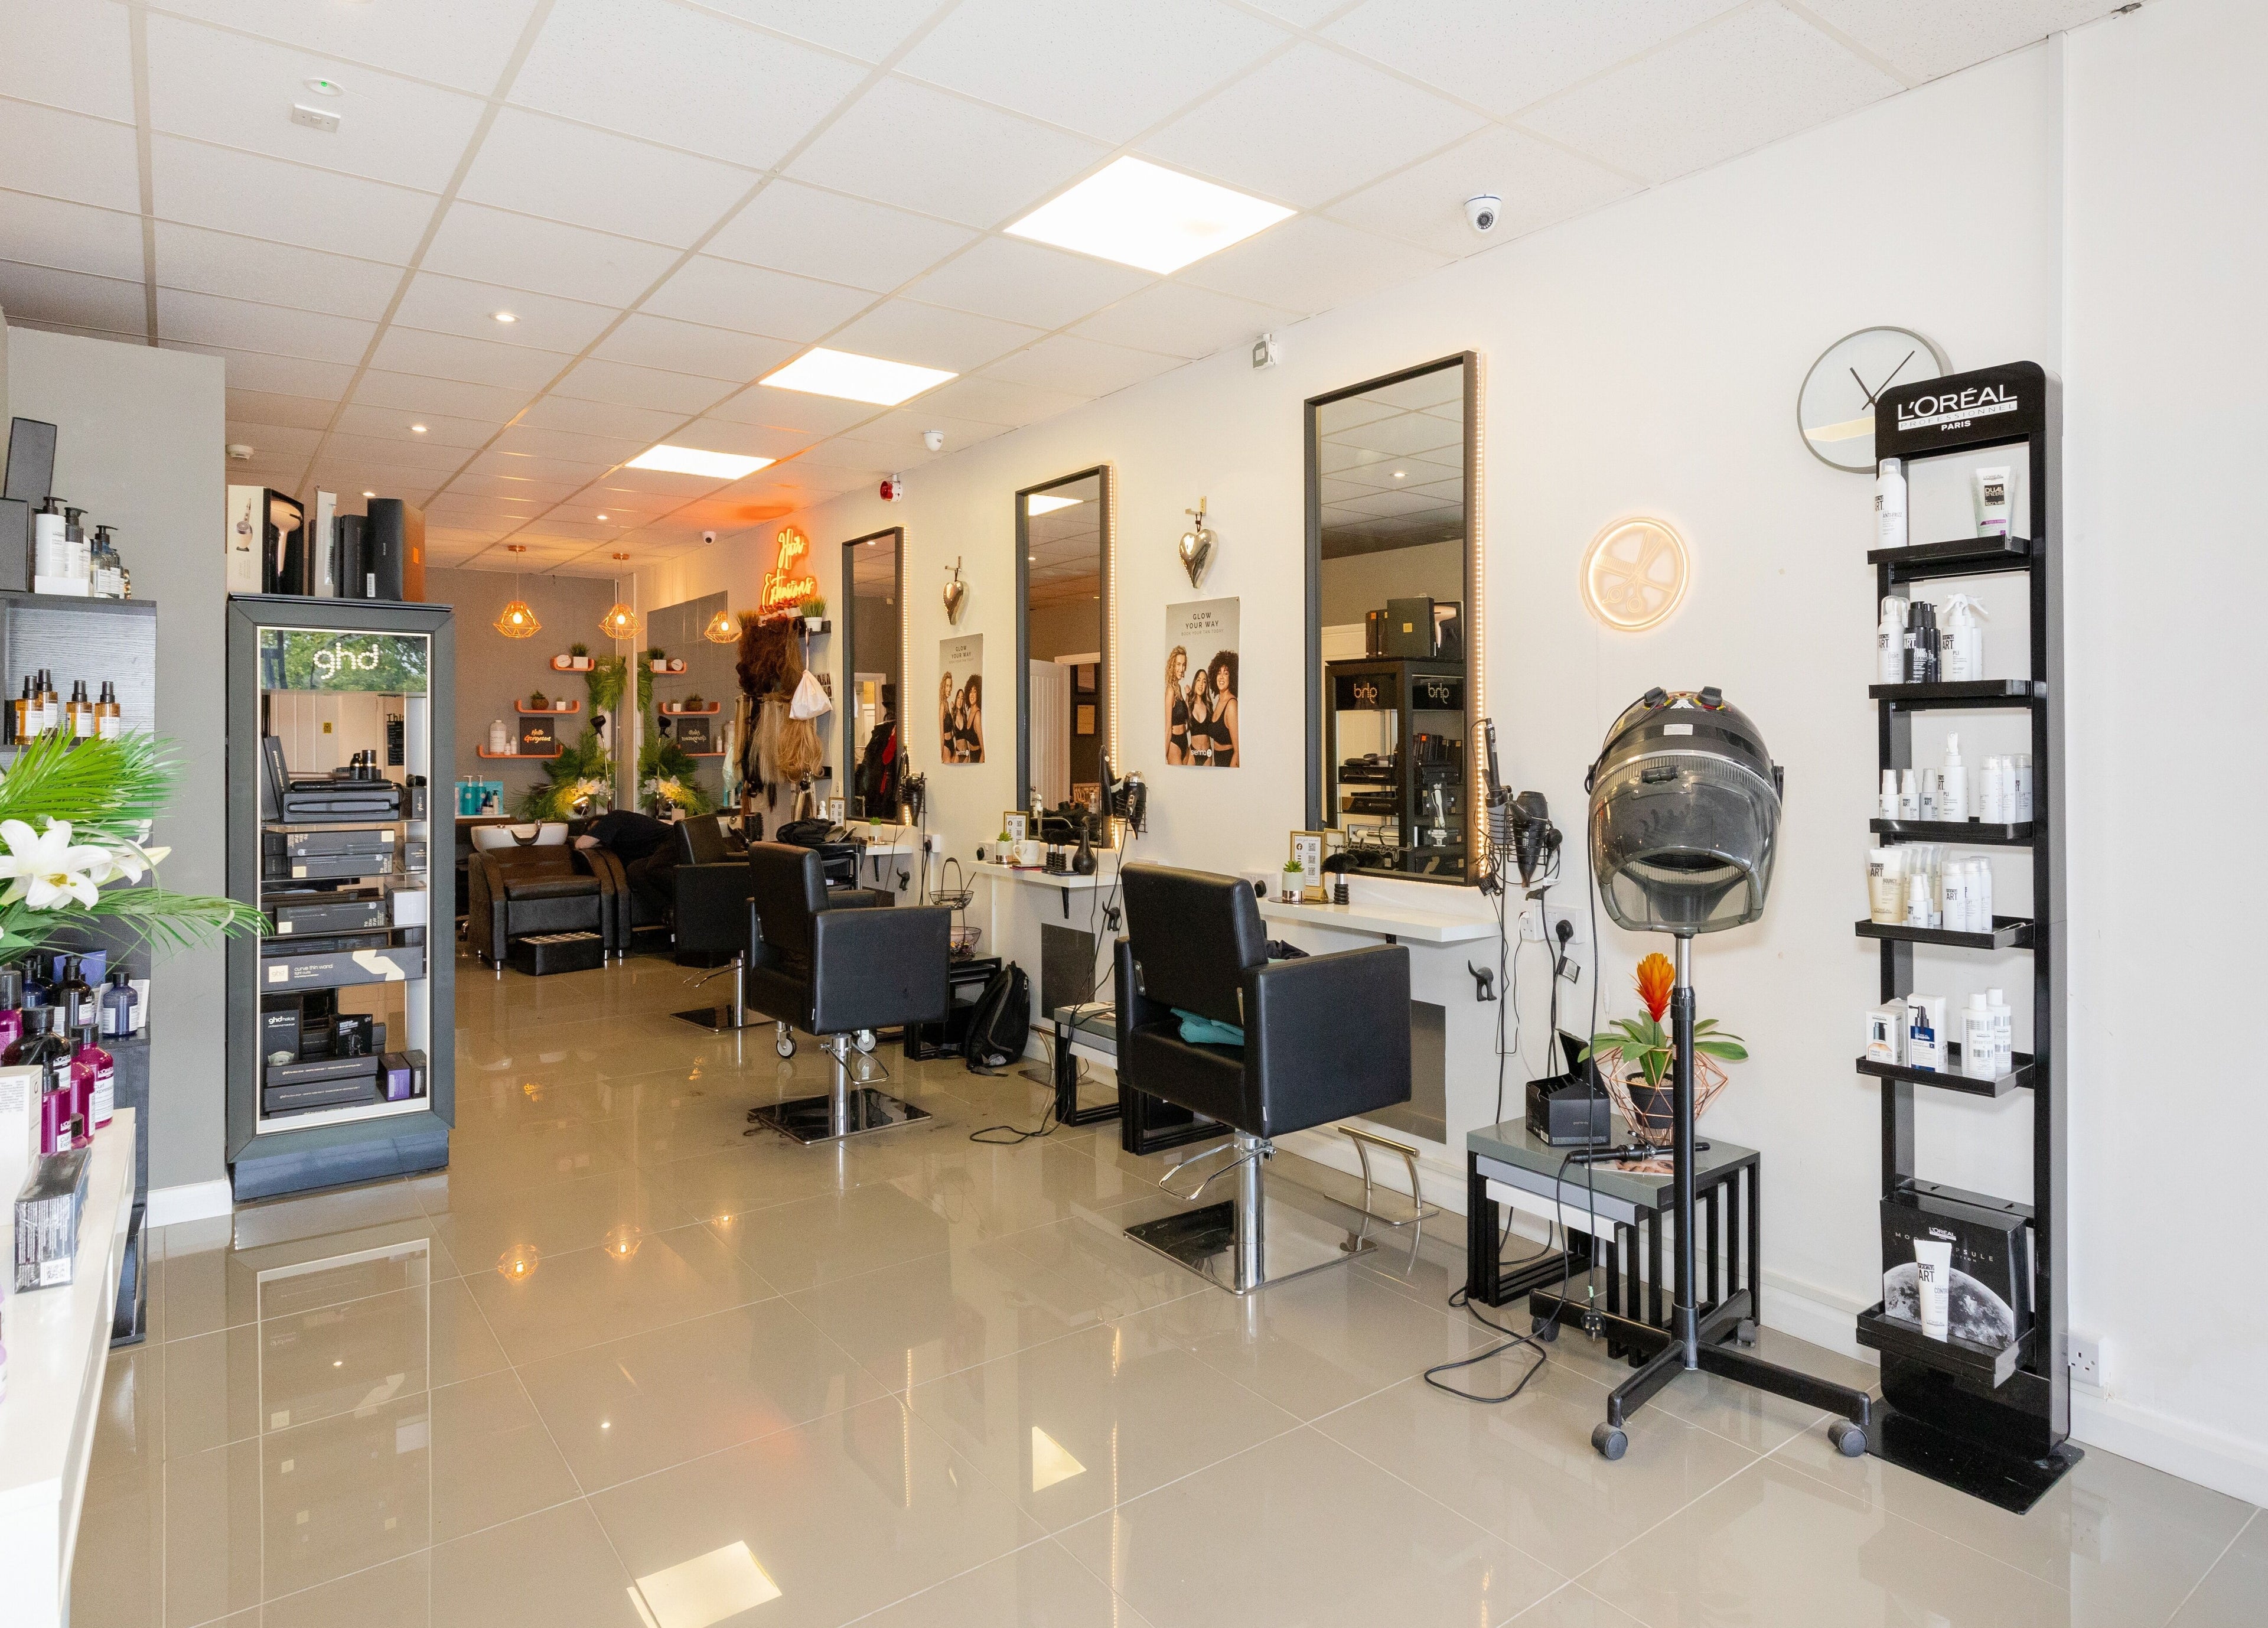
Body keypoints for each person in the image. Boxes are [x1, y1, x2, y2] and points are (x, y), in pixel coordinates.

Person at [576, 806, 679, 917]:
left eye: (594, 829)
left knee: (656, 868)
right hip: (657, 853)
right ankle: (670, 911)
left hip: (675, 839)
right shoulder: (620, 844)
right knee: (635, 871)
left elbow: (580, 844)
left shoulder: (614, 817)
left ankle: (692, 893)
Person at [1206, 650, 1239, 767]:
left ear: (1232, 677)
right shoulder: (1220, 701)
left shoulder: (1231, 705)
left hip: (1229, 763)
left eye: (1226, 673)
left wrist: (1231, 774)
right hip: (1218, 763)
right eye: (1219, 673)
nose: (1221, 677)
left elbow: (1238, 751)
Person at [1164, 645, 1190, 764]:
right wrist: (1163, 757)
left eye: (1183, 665)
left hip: (1185, 740)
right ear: (1172, 666)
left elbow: (1184, 716)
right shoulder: (1170, 691)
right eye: (1178, 664)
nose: (1182, 669)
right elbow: (1168, 728)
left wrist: (1188, 698)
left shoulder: (1178, 688)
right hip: (1175, 743)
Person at [1186, 666, 1213, 767]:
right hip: (1193, 753)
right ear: (1195, 683)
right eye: (1199, 680)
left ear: (1206, 686)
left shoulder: (1209, 706)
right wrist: (1187, 697)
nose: (1201, 684)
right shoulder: (1189, 704)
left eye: (1204, 682)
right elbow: (1181, 722)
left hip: (1207, 754)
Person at [960, 675, 983, 763]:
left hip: (978, 758)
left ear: (979, 694)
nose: (972, 695)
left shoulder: (977, 715)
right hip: (972, 758)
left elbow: (984, 750)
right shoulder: (970, 713)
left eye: (975, 692)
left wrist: (981, 767)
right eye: (970, 691)